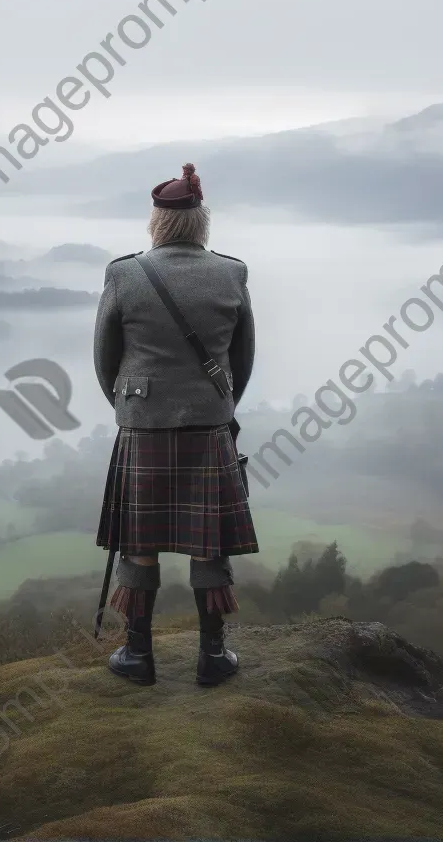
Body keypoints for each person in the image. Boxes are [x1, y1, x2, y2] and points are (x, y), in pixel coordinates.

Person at [93, 162, 258, 687]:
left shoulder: (124, 275)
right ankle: (213, 655)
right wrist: (219, 407)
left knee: (138, 540)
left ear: (157, 223)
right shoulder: (232, 274)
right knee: (208, 540)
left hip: (143, 427)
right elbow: (244, 359)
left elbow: (105, 358)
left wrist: (131, 411)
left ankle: (137, 654)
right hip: (209, 427)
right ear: (201, 222)